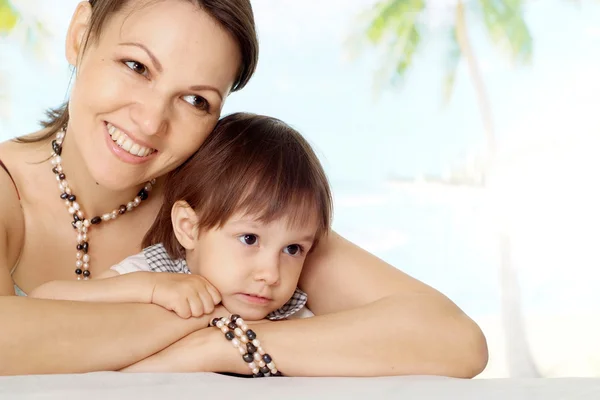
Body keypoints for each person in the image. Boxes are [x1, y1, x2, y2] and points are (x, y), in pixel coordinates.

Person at [0, 0, 488, 377]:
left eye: (195, 100)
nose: (151, 122)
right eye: (136, 67)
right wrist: (213, 316)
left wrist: (226, 344)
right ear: (81, 34)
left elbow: (453, 339)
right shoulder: (7, 191)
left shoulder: (222, 203)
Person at [29, 113, 329, 327]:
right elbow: (42, 303)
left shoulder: (291, 313)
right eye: (250, 239)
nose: (271, 274)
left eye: (292, 249)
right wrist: (149, 289)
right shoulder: (156, 274)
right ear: (189, 227)